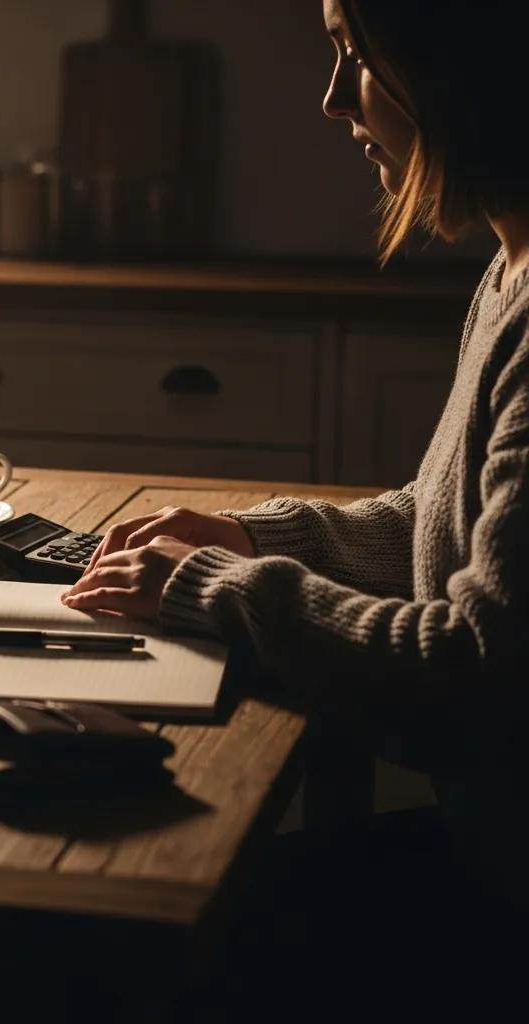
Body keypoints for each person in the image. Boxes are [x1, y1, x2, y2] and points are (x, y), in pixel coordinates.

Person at [63, 0, 529, 1008]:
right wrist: (249, 535)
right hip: (484, 862)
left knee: (119, 934)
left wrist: (218, 587)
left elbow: (479, 674)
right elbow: (437, 521)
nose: (330, 99)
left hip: (503, 912)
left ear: (453, 64)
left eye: (354, 56)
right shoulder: (510, 265)